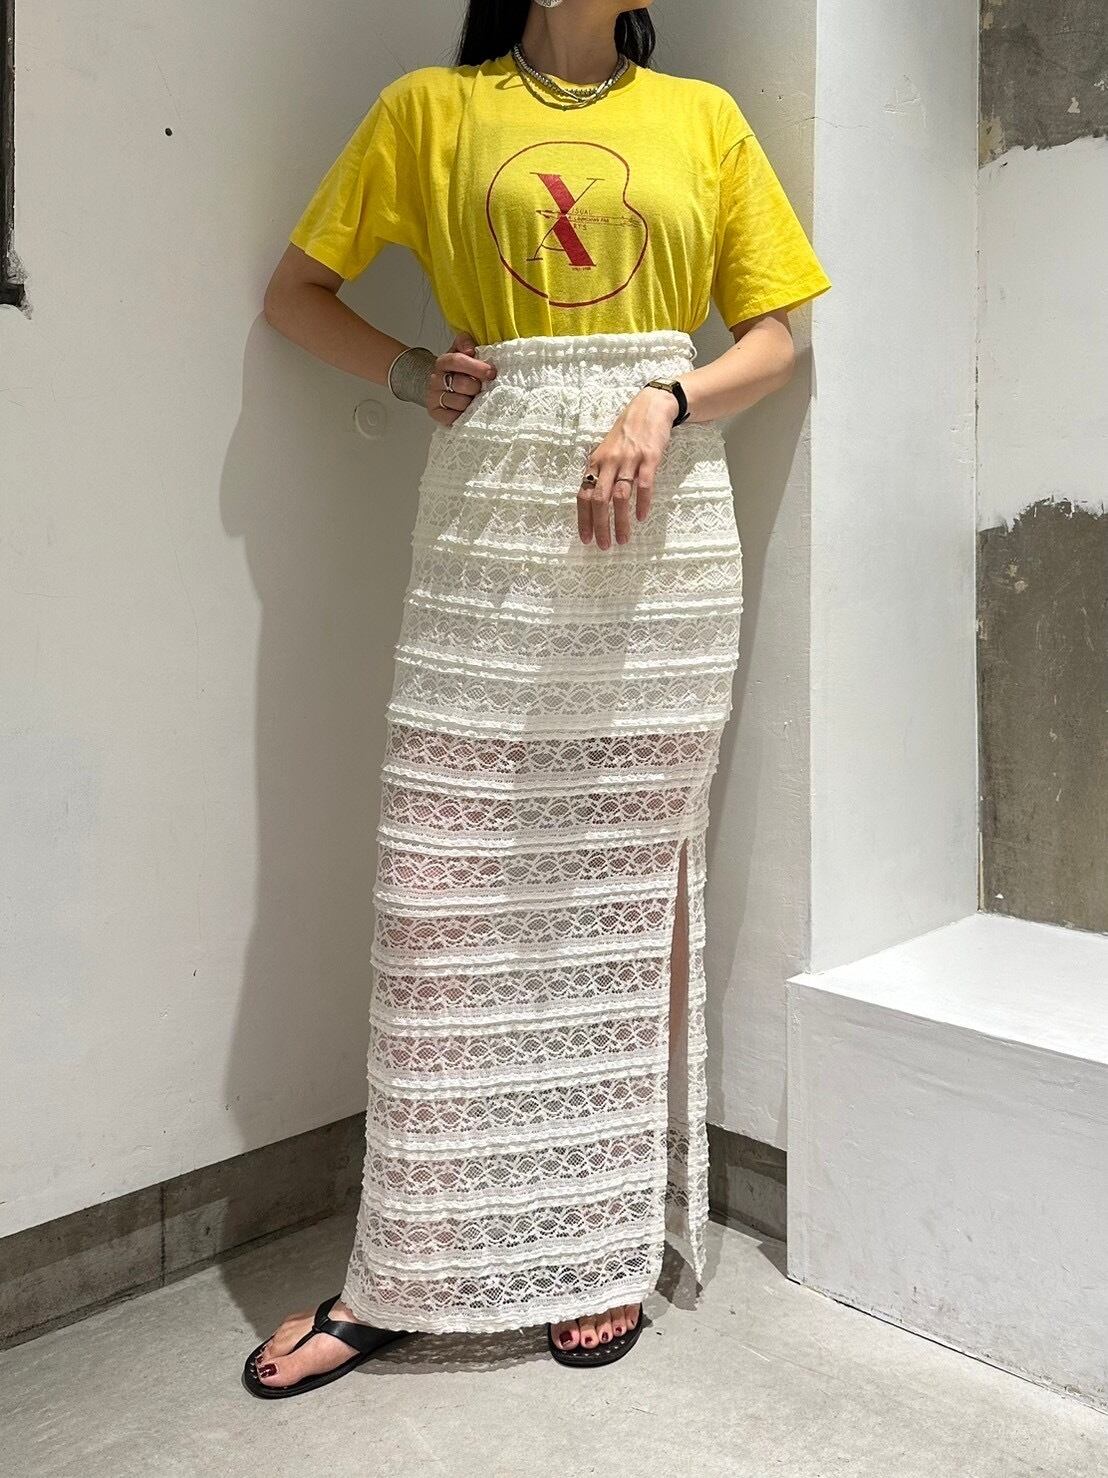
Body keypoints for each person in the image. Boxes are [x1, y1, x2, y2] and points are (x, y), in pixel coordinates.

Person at [244, 0, 830, 1398]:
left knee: (613, 898)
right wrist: (408, 371)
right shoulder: (430, 110)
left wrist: (666, 397)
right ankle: (404, 1267)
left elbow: (778, 338)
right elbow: (294, 293)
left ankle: (595, 1246)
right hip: (488, 522)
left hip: (663, 538)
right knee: (439, 899)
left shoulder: (701, 118)